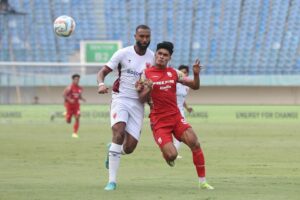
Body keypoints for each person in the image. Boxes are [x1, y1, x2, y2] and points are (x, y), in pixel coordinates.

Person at [136, 41, 214, 189]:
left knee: (195, 144)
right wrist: (147, 89)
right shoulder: (145, 74)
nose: (161, 57)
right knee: (172, 155)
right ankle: (167, 154)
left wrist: (196, 75)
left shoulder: (174, 73)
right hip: (159, 122)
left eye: (165, 55)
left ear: (169, 58)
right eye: (159, 54)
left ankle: (203, 181)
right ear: (155, 55)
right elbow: (140, 99)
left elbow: (195, 86)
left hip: (176, 118)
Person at [97, 24, 154, 191]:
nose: (144, 40)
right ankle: (112, 181)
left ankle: (113, 150)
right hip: (120, 99)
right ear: (135, 36)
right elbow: (102, 72)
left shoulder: (152, 58)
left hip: (138, 104)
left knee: (129, 148)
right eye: (141, 36)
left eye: (147, 37)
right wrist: (101, 84)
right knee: (119, 132)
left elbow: (152, 84)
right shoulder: (123, 53)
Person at [174, 65, 194, 157]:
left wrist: (187, 108)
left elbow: (182, 99)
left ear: (187, 74)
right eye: (181, 71)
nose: (183, 74)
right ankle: (171, 151)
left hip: (180, 112)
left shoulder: (187, 86)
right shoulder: (174, 84)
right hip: (172, 111)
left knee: (181, 133)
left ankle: (174, 152)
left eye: (185, 72)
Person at [63, 74, 86, 138]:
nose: (77, 80)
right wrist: (69, 100)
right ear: (73, 80)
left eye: (78, 79)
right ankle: (66, 116)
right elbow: (64, 95)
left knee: (77, 118)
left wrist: (82, 99)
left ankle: (75, 133)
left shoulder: (80, 88)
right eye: (75, 79)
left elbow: (79, 96)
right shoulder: (69, 87)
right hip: (69, 106)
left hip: (76, 105)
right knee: (68, 121)